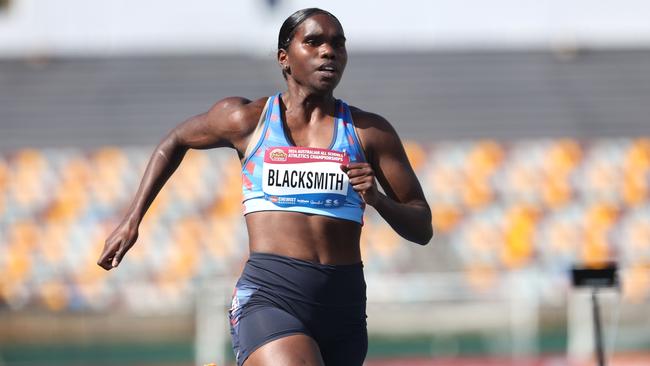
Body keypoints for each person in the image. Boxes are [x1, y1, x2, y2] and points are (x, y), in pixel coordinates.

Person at [97, 8, 432, 366]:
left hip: (344, 308)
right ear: (284, 58)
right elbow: (175, 140)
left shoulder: (369, 132)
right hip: (271, 297)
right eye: (314, 41)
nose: (328, 51)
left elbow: (422, 226)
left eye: (337, 44)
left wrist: (378, 200)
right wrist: (132, 219)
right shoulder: (248, 120)